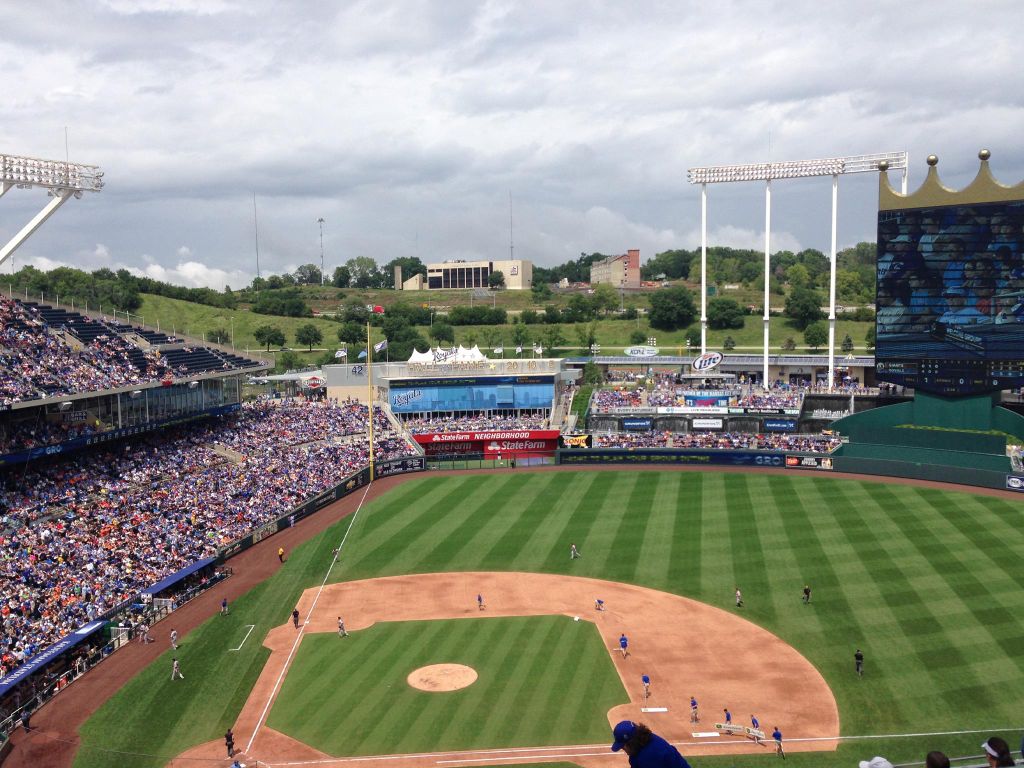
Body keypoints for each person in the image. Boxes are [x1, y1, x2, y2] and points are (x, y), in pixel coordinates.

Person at [610, 720, 691, 768]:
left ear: (632, 742)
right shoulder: (648, 739)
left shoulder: (645, 759)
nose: (623, 750)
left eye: (623, 747)